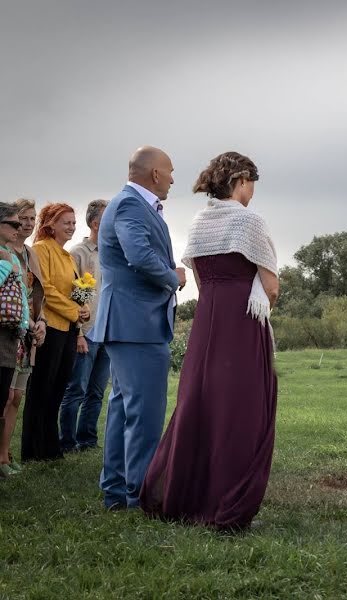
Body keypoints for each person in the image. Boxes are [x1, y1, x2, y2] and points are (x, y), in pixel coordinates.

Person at [141, 152, 278, 530]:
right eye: (252, 184)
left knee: (200, 402)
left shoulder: (200, 221)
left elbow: (201, 281)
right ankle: (228, 501)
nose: (252, 192)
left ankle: (186, 494)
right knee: (241, 408)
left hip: (208, 319)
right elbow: (270, 286)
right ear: (242, 180)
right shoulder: (250, 221)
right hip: (243, 322)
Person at [92, 146, 186, 510]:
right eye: (171, 171)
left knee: (122, 410)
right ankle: (140, 497)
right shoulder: (131, 204)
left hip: (128, 323)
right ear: (156, 175)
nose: (174, 178)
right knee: (144, 414)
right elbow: (139, 254)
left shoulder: (128, 203)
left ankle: (117, 492)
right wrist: (172, 277)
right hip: (136, 324)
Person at [20, 203, 88, 462]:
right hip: (50, 330)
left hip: (69, 330)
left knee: (58, 389)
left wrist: (84, 310)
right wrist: (73, 310)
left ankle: (50, 447)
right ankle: (32, 450)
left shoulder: (68, 256)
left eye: (73, 222)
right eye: (66, 222)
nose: (71, 227)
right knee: (41, 390)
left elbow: (79, 290)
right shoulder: (42, 249)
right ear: (50, 225)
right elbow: (45, 289)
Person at [59, 199, 110, 452]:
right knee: (76, 390)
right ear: (97, 223)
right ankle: (66, 443)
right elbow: (74, 295)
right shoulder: (79, 253)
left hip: (107, 334)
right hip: (86, 333)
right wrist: (78, 333)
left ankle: (87, 440)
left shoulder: (113, 254)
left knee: (97, 392)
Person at [0, 199, 46, 476]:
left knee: (16, 396)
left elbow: (39, 294)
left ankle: (5, 455)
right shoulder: (4, 253)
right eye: (21, 219)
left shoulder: (30, 254)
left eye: (31, 219)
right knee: (4, 395)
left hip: (26, 332)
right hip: (9, 329)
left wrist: (41, 321)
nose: (26, 225)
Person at [0, 203, 31, 478]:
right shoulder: (4, 256)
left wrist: (29, 323)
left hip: (12, 335)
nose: (18, 228)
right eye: (12, 223)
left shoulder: (12, 254)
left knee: (8, 397)